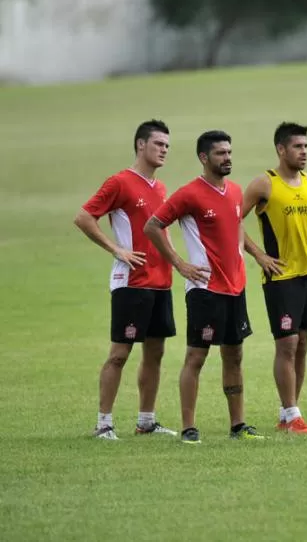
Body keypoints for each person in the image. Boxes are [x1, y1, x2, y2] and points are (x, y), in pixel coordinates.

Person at [144, 130, 264, 444]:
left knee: (234, 356)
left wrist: (246, 257)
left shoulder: (236, 192)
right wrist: (179, 263)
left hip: (235, 288)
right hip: (205, 290)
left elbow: (236, 226)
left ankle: (238, 425)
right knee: (196, 357)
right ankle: (188, 428)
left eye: (229, 152)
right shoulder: (189, 194)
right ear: (204, 157)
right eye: (220, 153)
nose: (227, 158)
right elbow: (153, 225)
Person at [75, 120, 178, 440]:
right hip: (131, 282)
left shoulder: (160, 188)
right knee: (120, 353)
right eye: (158, 144)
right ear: (140, 145)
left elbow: (163, 232)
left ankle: (146, 421)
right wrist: (117, 249)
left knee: (155, 352)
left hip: (161, 282)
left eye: (166, 146)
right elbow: (83, 217)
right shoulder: (120, 182)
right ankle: (103, 423)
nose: (164, 150)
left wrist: (179, 264)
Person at [240, 122, 307, 436]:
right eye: (297, 147)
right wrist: (259, 255)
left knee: (302, 344)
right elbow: (232, 218)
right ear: (281, 149)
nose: (304, 152)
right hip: (281, 278)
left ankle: (288, 413)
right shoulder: (264, 184)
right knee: (288, 345)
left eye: (306, 146)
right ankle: (292, 416)